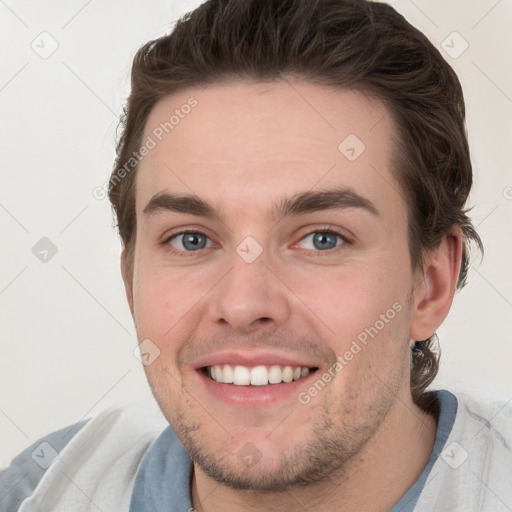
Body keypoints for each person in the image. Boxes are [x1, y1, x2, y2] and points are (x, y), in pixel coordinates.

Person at [2, 0, 511, 510]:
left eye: (322, 239)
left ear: (431, 283)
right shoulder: (40, 491)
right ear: (132, 282)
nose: (244, 304)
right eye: (191, 240)